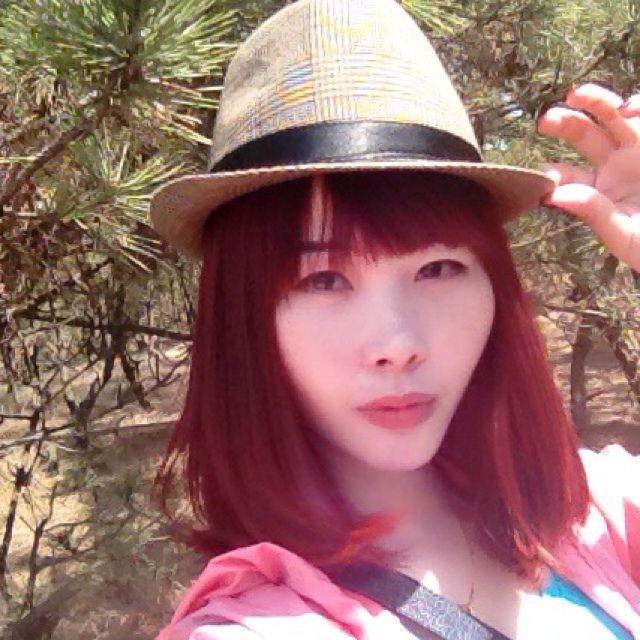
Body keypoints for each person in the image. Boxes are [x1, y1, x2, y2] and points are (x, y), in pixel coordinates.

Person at [148, 0, 640, 638]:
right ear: (245, 319)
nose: (398, 344)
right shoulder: (260, 628)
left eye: (438, 268)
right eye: (323, 280)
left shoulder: (593, 513)